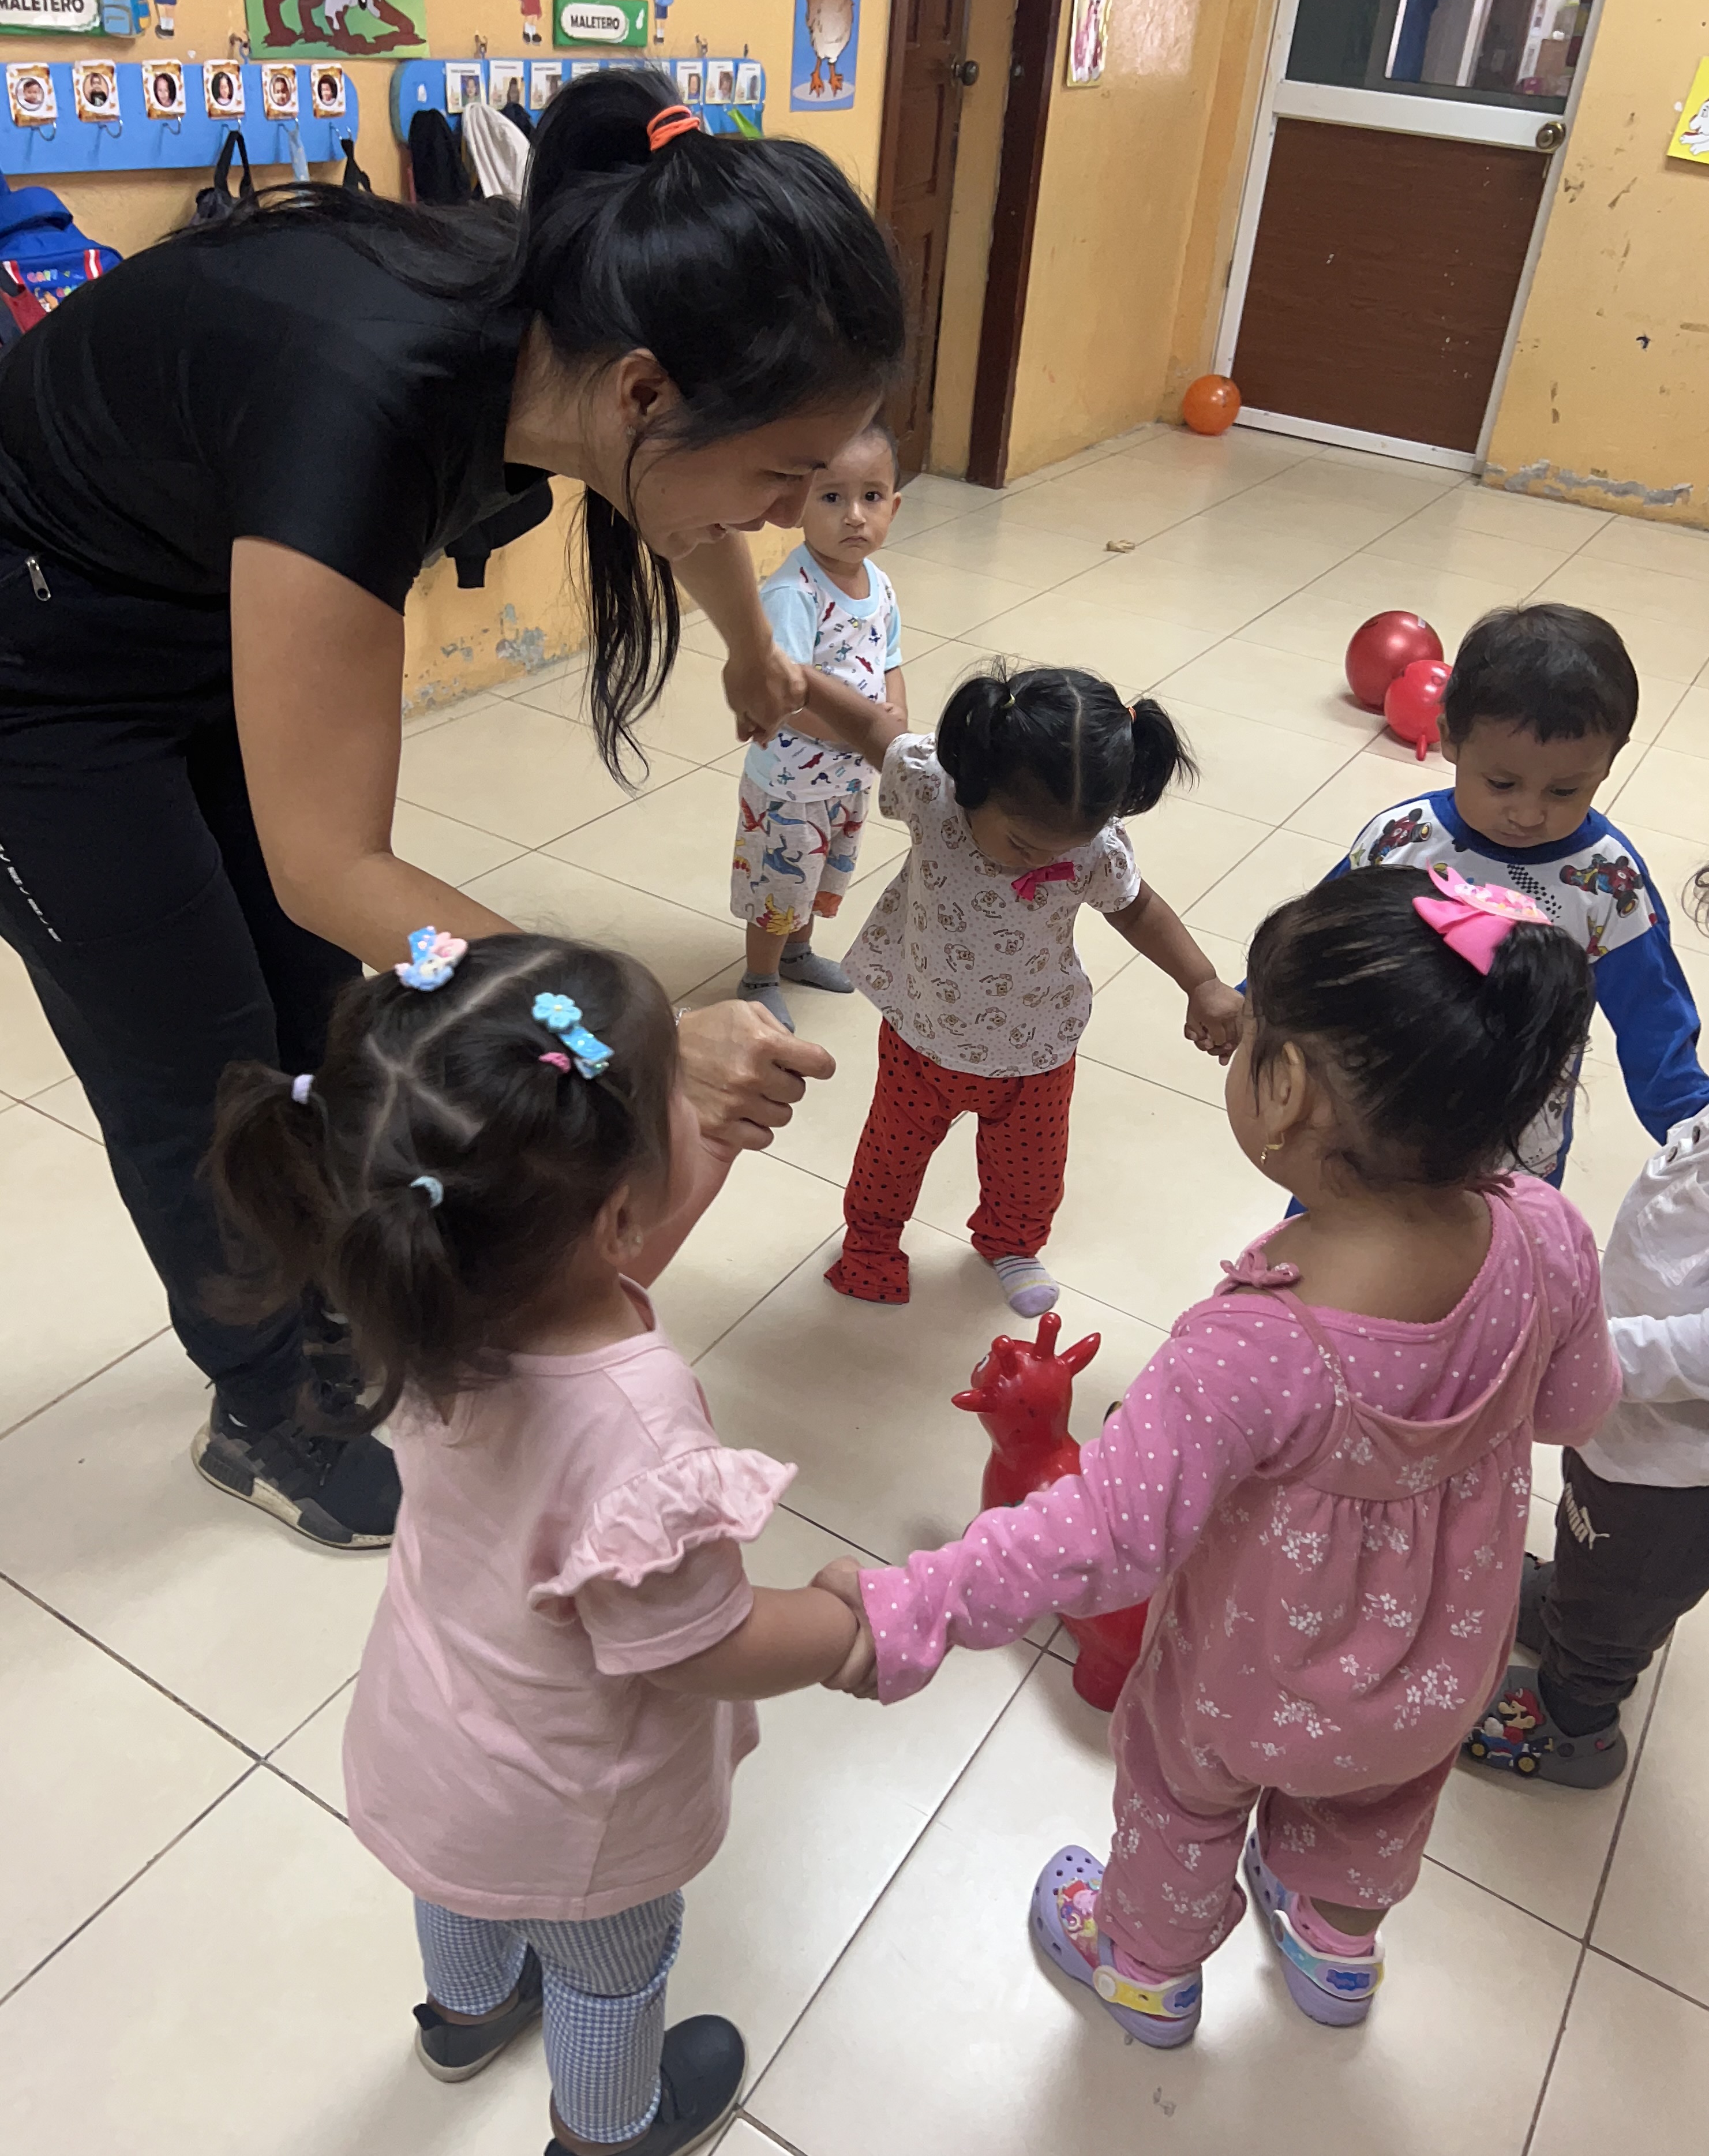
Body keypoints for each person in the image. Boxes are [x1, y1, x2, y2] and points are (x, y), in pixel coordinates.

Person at [0, 68, 902, 1551]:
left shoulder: (577, 319)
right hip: (34, 680)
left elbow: (689, 496)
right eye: (785, 474)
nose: (781, 512)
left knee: (311, 1019)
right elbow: (333, 865)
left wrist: (754, 652)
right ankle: (266, 1409)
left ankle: (326, 1312)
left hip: (184, 610)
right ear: (644, 393)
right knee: (196, 1058)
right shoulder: (368, 399)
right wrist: (634, 1033)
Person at [817, 866, 1619, 2043]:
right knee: (1375, 1807)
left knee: (1180, 1804)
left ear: (1283, 1090)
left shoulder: (1255, 1342)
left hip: (1248, 1674)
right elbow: (1574, 1409)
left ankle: (1144, 1973)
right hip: (1439, 1668)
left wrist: (908, 1606)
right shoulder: (1545, 1232)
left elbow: (1096, 1535)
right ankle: (1335, 1954)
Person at [206, 930, 870, 2155]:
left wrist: (696, 1153)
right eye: (674, 1100)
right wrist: (842, 1626)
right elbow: (701, 1642)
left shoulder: (416, 1291)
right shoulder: (638, 1426)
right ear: (615, 1213)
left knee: (459, 1897)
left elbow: (593, 1274)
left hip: (432, 1742)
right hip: (572, 1816)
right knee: (613, 1971)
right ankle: (607, 2129)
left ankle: (464, 2018)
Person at [803, 664, 1244, 1315]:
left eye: (1062, 848)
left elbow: (1136, 909)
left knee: (1030, 1171)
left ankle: (1011, 1246)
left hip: (1035, 1044)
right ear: (977, 784)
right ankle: (870, 1244)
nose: (1042, 859)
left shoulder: (1094, 847)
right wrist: (797, 683)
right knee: (889, 1156)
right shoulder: (934, 790)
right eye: (1022, 841)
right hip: (921, 1032)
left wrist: (1200, 981)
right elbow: (873, 727)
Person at [1466, 871, 1709, 1787]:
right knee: (1586, 1506)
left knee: (1621, 1586)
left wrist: (1591, 1351)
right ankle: (1572, 1594)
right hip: (1625, 1410)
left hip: (1676, 1472)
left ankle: (1576, 1717)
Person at [1331, 603, 1707, 1181]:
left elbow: (1653, 1022)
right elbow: (1321, 939)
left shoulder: (1608, 884)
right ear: (1450, 737)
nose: (1529, 814)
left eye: (1564, 791)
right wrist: (1256, 1001)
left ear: (1608, 763)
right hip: (1370, 1126)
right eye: (1502, 783)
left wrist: (1692, 1124)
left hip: (1508, 1159)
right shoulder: (1404, 838)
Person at [730, 422, 904, 1032]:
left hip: (846, 777)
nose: (855, 516)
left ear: (893, 507)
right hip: (790, 786)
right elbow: (781, 693)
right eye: (832, 497)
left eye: (871, 497)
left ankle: (797, 954)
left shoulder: (880, 585)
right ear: (797, 506)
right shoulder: (793, 594)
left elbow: (890, 658)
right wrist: (857, 730)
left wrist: (895, 713)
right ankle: (759, 978)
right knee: (780, 885)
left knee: (822, 871)